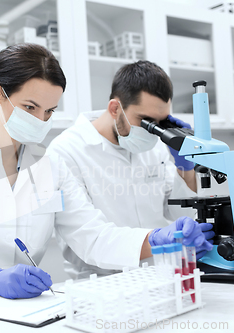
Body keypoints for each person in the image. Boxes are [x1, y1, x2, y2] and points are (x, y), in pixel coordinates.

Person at [0, 44, 212, 306]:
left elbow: (93, 236)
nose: (40, 120)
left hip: (22, 312)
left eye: (49, 111)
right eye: (29, 107)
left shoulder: (51, 165)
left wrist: (156, 238)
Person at [48, 60, 214, 279]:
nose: (152, 130)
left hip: (162, 277)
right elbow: (90, 240)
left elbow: (180, 214)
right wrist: (155, 238)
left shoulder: (155, 148)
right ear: (115, 108)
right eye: (145, 121)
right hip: (103, 286)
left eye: (160, 122)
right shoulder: (65, 152)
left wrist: (186, 168)